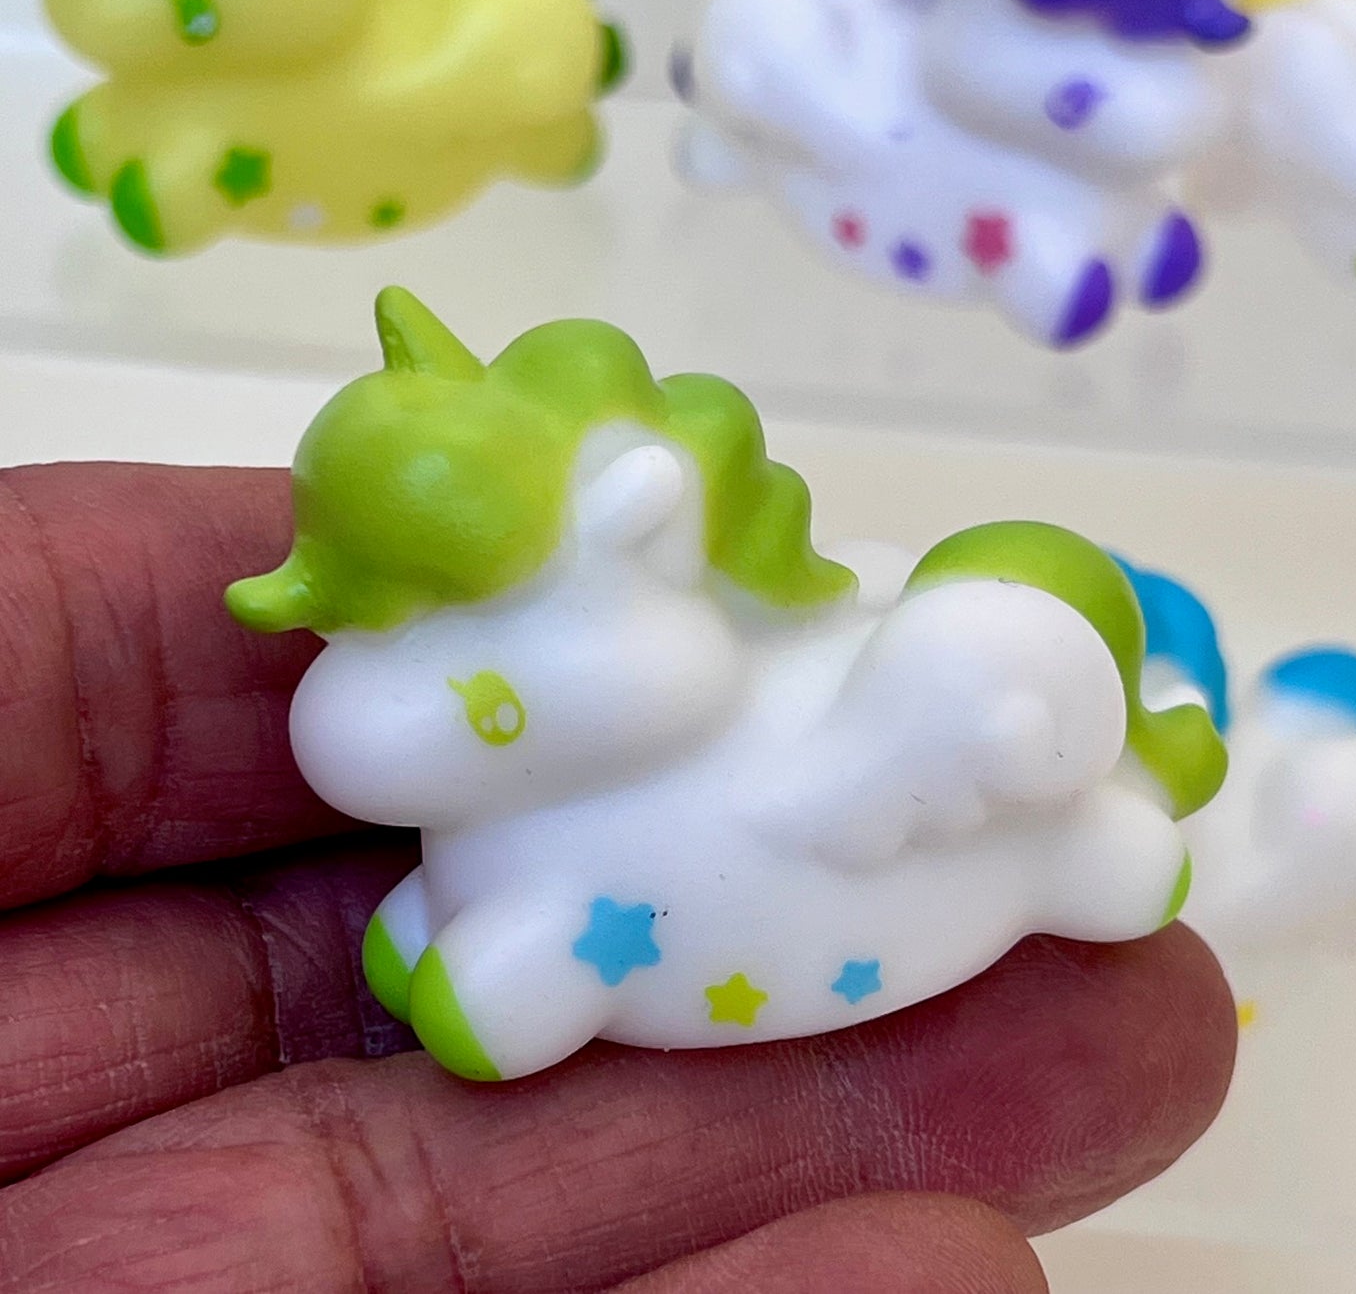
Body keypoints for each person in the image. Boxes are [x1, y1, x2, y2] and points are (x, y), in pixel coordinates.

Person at [0, 464, 1236, 1292]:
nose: (356, 713)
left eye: (482, 689)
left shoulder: (834, 788)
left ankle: (1105, 828)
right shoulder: (557, 778)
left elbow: (507, 1015)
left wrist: (488, 961)